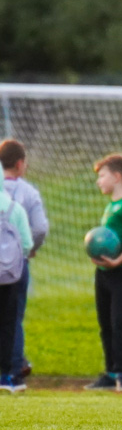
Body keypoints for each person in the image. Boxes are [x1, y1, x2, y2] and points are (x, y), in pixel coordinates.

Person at [86, 154, 122, 393]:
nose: (99, 181)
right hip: (104, 273)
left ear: (117, 177)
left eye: (102, 176)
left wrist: (118, 260)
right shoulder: (110, 207)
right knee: (105, 323)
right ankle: (110, 373)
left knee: (119, 321)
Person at [1, 139, 49, 391]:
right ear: (20, 164)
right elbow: (40, 228)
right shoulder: (27, 193)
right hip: (15, 266)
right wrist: (30, 250)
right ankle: (12, 374)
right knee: (12, 317)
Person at [0, 176, 33, 393]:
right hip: (9, 276)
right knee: (8, 325)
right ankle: (7, 376)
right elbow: (28, 244)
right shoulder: (14, 208)